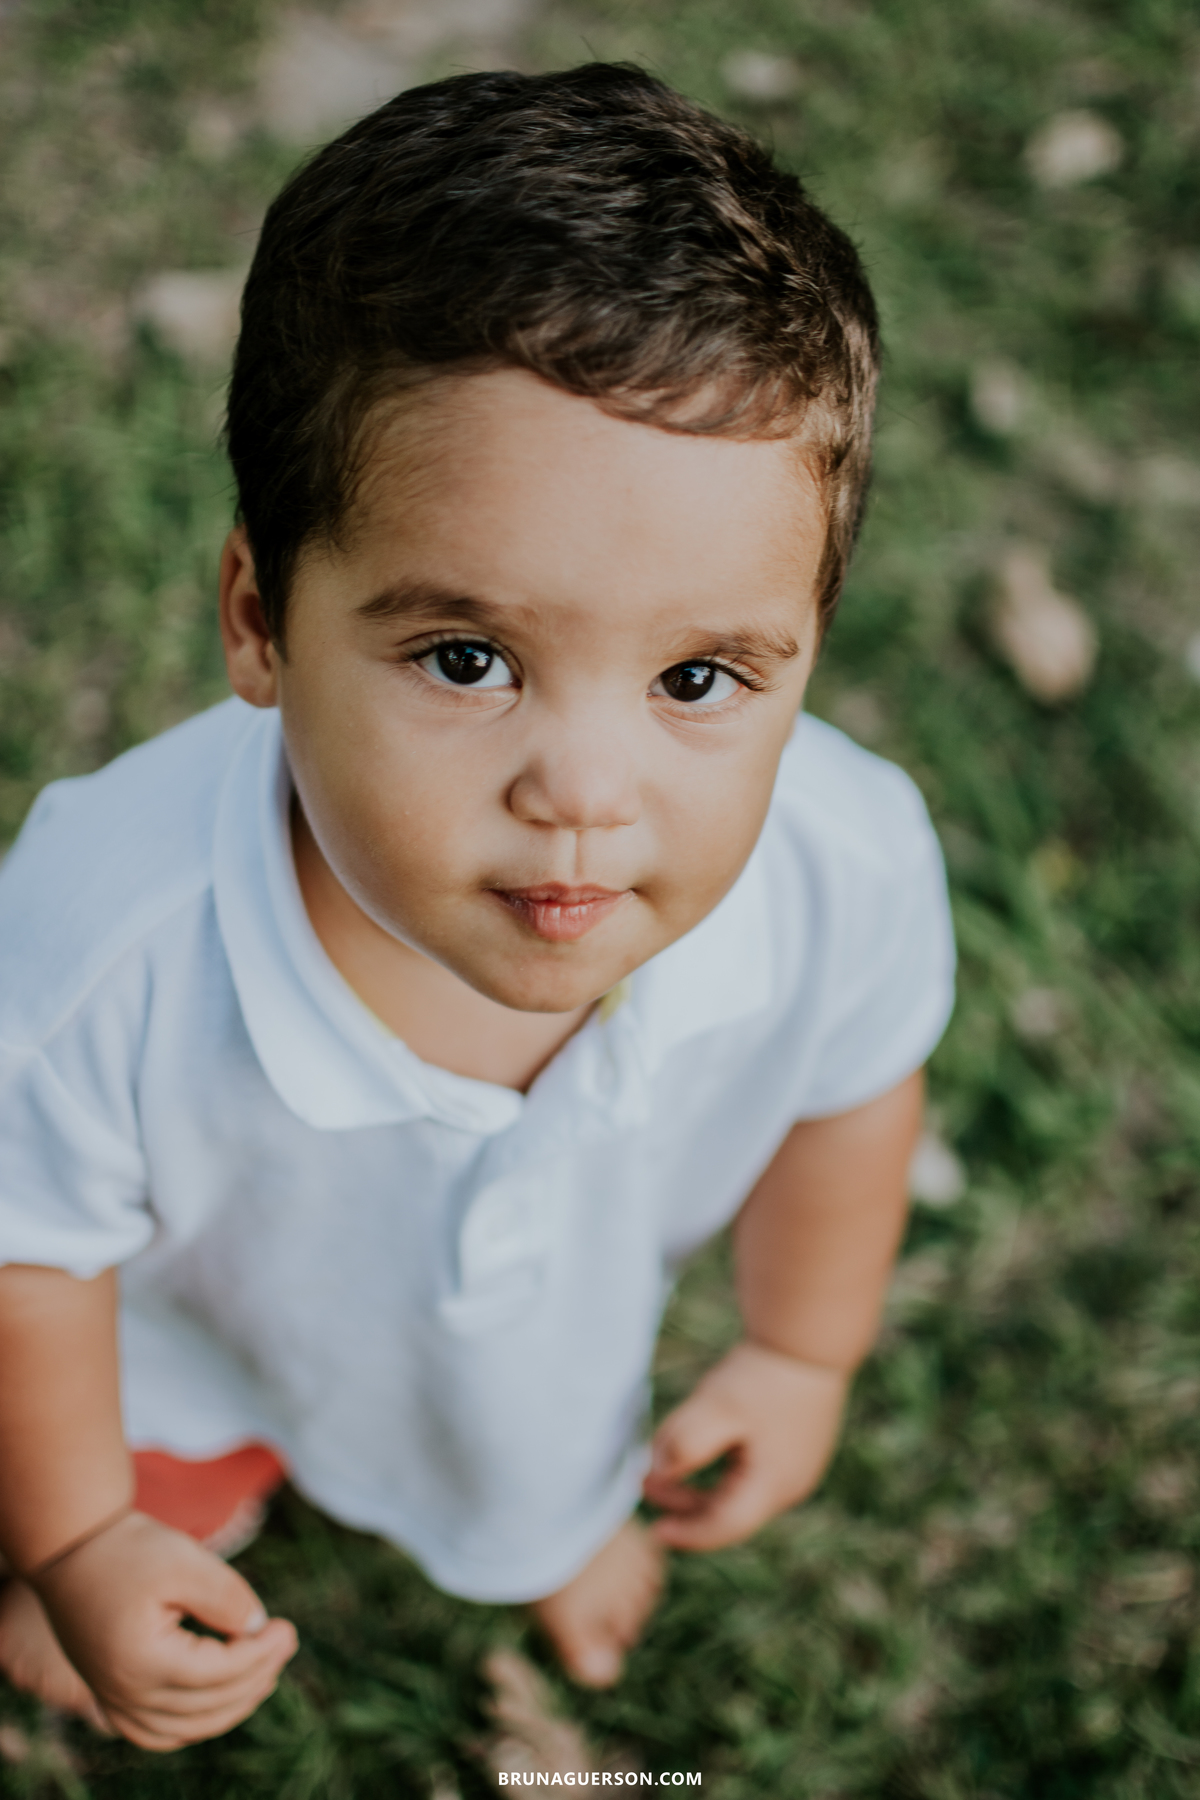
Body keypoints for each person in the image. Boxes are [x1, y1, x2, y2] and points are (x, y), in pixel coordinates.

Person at [0, 63, 954, 1750]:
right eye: (466, 658)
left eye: (697, 675)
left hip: (549, 1348)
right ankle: (189, 1470)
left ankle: (545, 1515)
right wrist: (78, 1531)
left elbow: (854, 1095)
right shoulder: (101, 946)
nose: (584, 789)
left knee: (528, 1421)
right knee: (151, 1444)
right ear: (260, 618)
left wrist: (803, 1356)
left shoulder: (841, 865)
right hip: (188, 1319)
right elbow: (31, 1254)